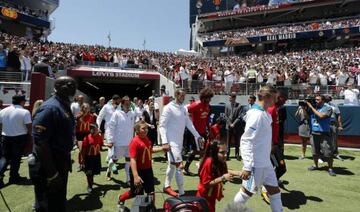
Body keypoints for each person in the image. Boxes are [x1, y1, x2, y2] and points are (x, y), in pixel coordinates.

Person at [30, 76, 76, 211]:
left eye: (73, 85)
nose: (72, 88)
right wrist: (52, 173)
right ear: (59, 87)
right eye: (68, 85)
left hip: (60, 161)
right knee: (49, 204)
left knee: (59, 201)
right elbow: (40, 142)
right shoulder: (50, 108)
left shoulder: (63, 104)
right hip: (50, 165)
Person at [234, 86, 283, 212]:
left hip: (265, 163)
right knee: (246, 193)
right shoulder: (257, 115)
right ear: (267, 97)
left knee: (275, 192)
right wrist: (247, 166)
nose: (276, 101)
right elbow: (246, 140)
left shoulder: (265, 113)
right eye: (274, 98)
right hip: (256, 164)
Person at [159, 88, 203, 197]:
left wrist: (198, 136)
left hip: (179, 142)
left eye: (184, 95)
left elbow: (189, 123)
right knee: (179, 165)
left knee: (172, 165)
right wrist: (165, 142)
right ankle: (182, 192)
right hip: (171, 142)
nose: (183, 97)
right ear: (176, 95)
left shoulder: (183, 108)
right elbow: (162, 126)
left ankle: (166, 186)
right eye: (182, 95)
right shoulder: (168, 108)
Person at [117, 121, 169, 211]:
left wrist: (162, 148)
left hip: (148, 170)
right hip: (138, 171)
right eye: (143, 128)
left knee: (151, 192)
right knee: (136, 194)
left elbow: (150, 150)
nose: (146, 130)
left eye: (146, 128)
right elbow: (132, 159)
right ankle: (121, 198)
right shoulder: (134, 142)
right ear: (137, 130)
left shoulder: (147, 139)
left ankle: (152, 208)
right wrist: (136, 176)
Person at [0, 95, 32, 187]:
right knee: (16, 158)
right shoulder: (25, 112)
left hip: (5, 136)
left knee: (5, 157)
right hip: (19, 137)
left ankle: (1, 175)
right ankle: (14, 177)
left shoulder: (3, 111)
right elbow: (29, 126)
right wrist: (32, 137)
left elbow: (0, 125)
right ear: (22, 102)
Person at [106, 96, 138, 182]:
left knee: (128, 161)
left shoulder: (132, 113)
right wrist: (110, 140)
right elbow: (111, 127)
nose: (128, 105)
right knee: (114, 160)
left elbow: (135, 126)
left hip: (129, 143)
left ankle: (128, 179)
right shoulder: (116, 113)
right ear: (122, 104)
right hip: (119, 143)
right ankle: (109, 170)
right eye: (126, 103)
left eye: (129, 103)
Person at [184, 87, 214, 176]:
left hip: (203, 132)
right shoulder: (195, 105)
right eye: (207, 98)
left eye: (210, 98)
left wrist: (209, 130)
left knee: (197, 151)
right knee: (202, 152)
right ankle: (202, 170)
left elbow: (206, 120)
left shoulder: (208, 107)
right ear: (203, 97)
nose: (209, 100)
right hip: (195, 133)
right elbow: (184, 111)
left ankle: (187, 168)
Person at [196, 142, 233, 212]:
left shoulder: (220, 161)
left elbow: (225, 172)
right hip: (204, 198)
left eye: (226, 152)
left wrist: (239, 173)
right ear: (214, 152)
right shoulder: (208, 163)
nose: (225, 155)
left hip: (212, 197)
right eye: (222, 152)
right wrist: (222, 178)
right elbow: (206, 184)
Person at [307, 95, 336, 176]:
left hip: (324, 133)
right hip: (314, 133)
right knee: (314, 152)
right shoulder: (314, 108)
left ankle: (330, 168)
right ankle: (316, 166)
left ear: (323, 100)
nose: (316, 101)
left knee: (328, 152)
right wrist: (304, 109)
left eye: (318, 99)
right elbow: (308, 118)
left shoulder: (328, 108)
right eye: (315, 99)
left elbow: (321, 116)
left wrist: (311, 107)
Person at [79, 124, 105, 193]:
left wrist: (108, 145)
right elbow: (83, 150)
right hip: (88, 158)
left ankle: (91, 182)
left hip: (96, 157)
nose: (96, 130)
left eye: (96, 129)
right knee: (89, 173)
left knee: (93, 172)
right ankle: (89, 186)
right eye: (94, 129)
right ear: (90, 130)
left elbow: (101, 144)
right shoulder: (86, 138)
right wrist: (82, 159)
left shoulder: (99, 137)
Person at [96, 94, 121, 162]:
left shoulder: (120, 107)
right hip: (108, 129)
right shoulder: (106, 107)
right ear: (113, 100)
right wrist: (98, 126)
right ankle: (111, 162)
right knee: (110, 144)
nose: (118, 103)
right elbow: (100, 117)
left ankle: (110, 157)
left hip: (118, 130)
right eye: (117, 101)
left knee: (116, 146)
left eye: (119, 101)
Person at [75, 103, 95, 171]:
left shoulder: (91, 116)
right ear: (82, 108)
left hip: (87, 134)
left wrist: (94, 133)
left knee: (86, 150)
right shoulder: (78, 116)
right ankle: (80, 164)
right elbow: (75, 126)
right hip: (79, 134)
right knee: (81, 150)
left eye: (87, 108)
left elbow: (92, 126)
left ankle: (85, 164)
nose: (86, 109)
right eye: (85, 108)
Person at [325, 96, 344, 161]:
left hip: (333, 124)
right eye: (326, 98)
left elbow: (339, 115)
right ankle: (324, 154)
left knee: (334, 140)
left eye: (329, 98)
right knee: (323, 140)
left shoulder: (334, 106)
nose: (328, 99)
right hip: (324, 124)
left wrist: (340, 125)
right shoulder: (321, 105)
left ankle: (335, 154)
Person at [225, 92, 240, 161]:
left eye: (230, 98)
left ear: (234, 98)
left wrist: (234, 124)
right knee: (228, 141)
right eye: (229, 98)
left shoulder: (239, 105)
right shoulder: (227, 105)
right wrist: (230, 124)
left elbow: (239, 116)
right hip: (229, 126)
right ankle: (227, 155)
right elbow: (226, 116)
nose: (229, 99)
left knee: (237, 141)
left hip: (236, 126)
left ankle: (237, 155)